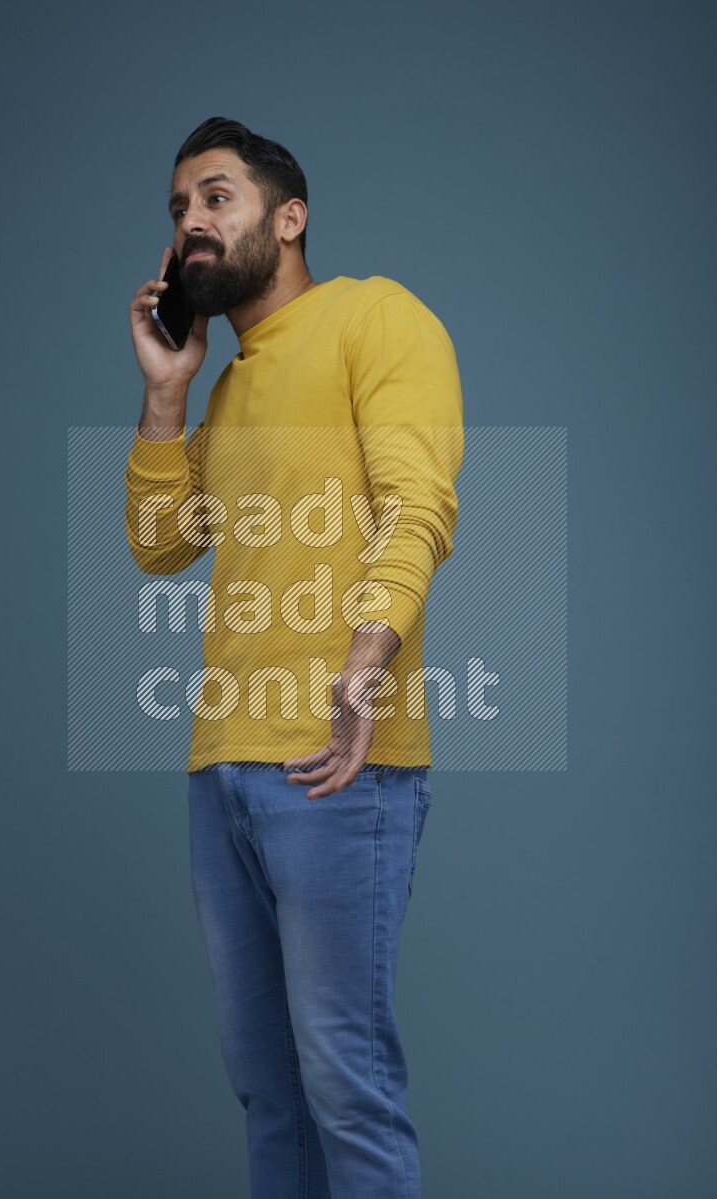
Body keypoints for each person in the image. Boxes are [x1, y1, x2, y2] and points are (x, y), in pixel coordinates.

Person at [124, 116, 464, 1199]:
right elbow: (160, 545)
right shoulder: (223, 390)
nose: (191, 225)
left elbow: (416, 506)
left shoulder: (376, 315)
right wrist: (168, 392)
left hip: (335, 760)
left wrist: (363, 667)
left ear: (288, 215)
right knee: (269, 1090)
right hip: (221, 765)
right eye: (179, 210)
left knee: (343, 1082)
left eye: (215, 198)